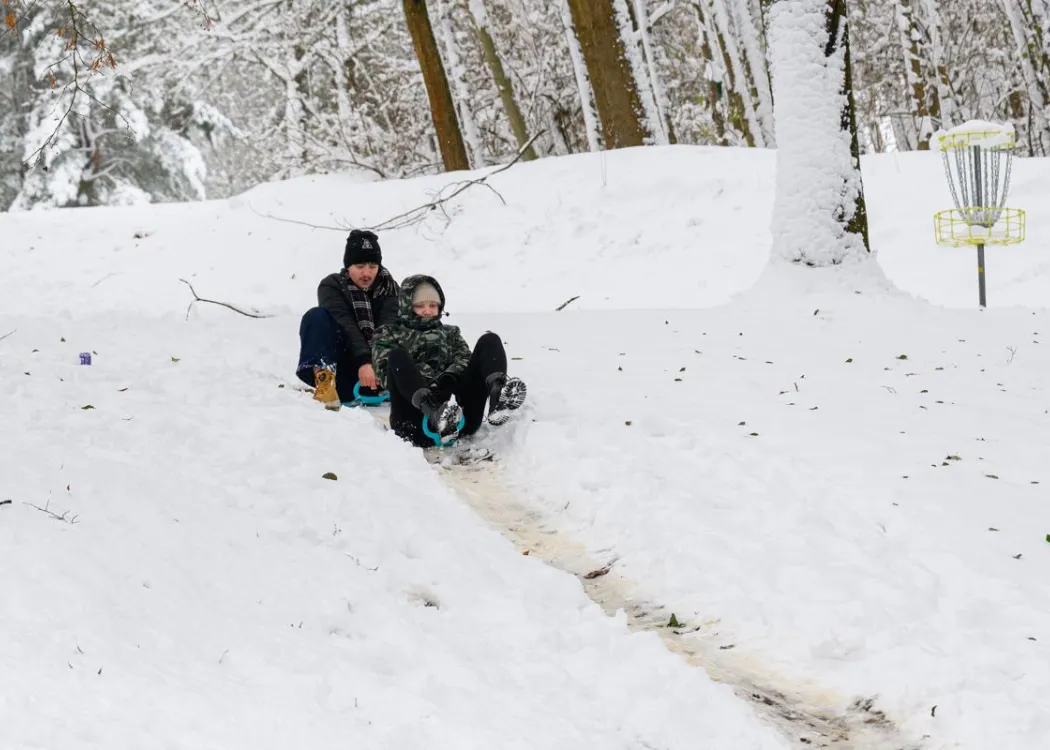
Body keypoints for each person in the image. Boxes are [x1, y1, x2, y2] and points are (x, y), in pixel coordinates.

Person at [372, 274, 527, 447]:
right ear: (407, 306)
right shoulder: (388, 334)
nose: (427, 310)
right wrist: (429, 383)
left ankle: (498, 397)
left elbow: (463, 357)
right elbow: (384, 373)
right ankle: (434, 414)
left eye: (433, 305)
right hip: (413, 424)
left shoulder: (450, 333)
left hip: (460, 417)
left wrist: (448, 380)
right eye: (420, 306)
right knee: (397, 356)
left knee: (490, 340)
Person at [296, 229, 400, 409]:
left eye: (372, 266)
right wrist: (364, 361)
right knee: (316, 317)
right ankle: (325, 382)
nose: (367, 273)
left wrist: (376, 364)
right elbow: (345, 323)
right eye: (360, 266)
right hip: (345, 371)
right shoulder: (332, 285)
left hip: (381, 373)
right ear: (348, 266)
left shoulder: (391, 289)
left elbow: (388, 327)